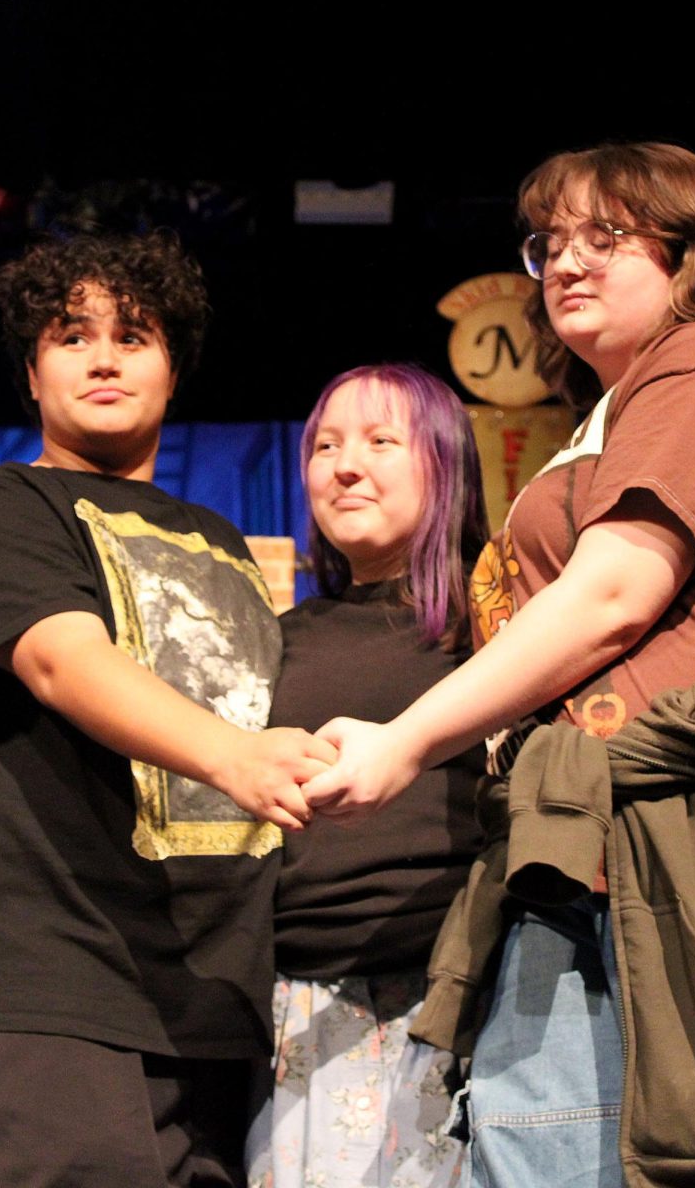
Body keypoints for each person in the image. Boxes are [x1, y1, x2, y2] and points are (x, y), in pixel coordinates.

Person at [303, 143, 695, 1188]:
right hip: (585, 855)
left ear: (688, 253)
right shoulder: (606, 419)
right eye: (548, 242)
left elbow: (611, 597)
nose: (564, 260)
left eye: (603, 236)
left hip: (664, 860)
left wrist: (403, 740)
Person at [0, 230, 335, 1188]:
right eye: (72, 338)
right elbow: (65, 663)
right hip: (47, 991)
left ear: (173, 370)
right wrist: (237, 758)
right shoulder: (5, 506)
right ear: (31, 375)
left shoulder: (230, 544)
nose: (105, 357)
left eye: (135, 335)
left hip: (213, 1009)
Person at [245, 363, 488, 1188]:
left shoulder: (498, 628)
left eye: (382, 441)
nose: (345, 465)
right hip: (298, 1008)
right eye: (325, 445)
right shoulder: (274, 637)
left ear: (445, 463)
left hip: (456, 1001)